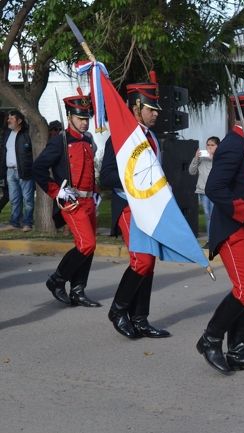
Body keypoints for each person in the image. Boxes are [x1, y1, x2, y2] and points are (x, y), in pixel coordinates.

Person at [196, 81, 244, 375]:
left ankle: (239, 349)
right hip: (234, 229)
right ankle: (211, 338)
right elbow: (215, 188)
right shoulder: (232, 145)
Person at [100, 76, 171, 339]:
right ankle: (118, 310)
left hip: (150, 209)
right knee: (141, 261)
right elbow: (105, 177)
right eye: (151, 109)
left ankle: (140, 318)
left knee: (149, 263)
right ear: (136, 107)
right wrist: (138, 181)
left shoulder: (152, 137)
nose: (155, 114)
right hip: (129, 206)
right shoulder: (118, 139)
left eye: (156, 110)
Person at [32, 94, 101, 307]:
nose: (84, 122)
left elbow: (89, 169)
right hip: (71, 201)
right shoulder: (60, 141)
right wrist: (56, 192)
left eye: (86, 118)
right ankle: (57, 280)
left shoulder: (88, 139)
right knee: (86, 244)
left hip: (89, 200)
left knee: (89, 246)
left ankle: (78, 290)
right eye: (80, 118)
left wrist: (96, 192)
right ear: (69, 117)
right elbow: (38, 168)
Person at [0, 109, 34, 232]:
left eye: (11, 118)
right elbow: (3, 152)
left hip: (24, 170)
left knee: (28, 199)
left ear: (19, 121)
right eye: (8, 118)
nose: (8, 120)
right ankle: (15, 223)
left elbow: (32, 153)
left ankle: (27, 223)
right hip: (10, 171)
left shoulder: (27, 134)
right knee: (14, 199)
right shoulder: (7, 134)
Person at [189, 136, 219, 244]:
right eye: (208, 145)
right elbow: (191, 171)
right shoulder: (201, 158)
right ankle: (211, 239)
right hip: (203, 191)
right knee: (208, 215)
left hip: (215, 192)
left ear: (218, 146)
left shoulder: (220, 158)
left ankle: (215, 239)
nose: (210, 147)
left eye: (212, 145)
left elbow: (222, 174)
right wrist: (196, 157)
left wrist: (214, 159)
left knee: (215, 215)